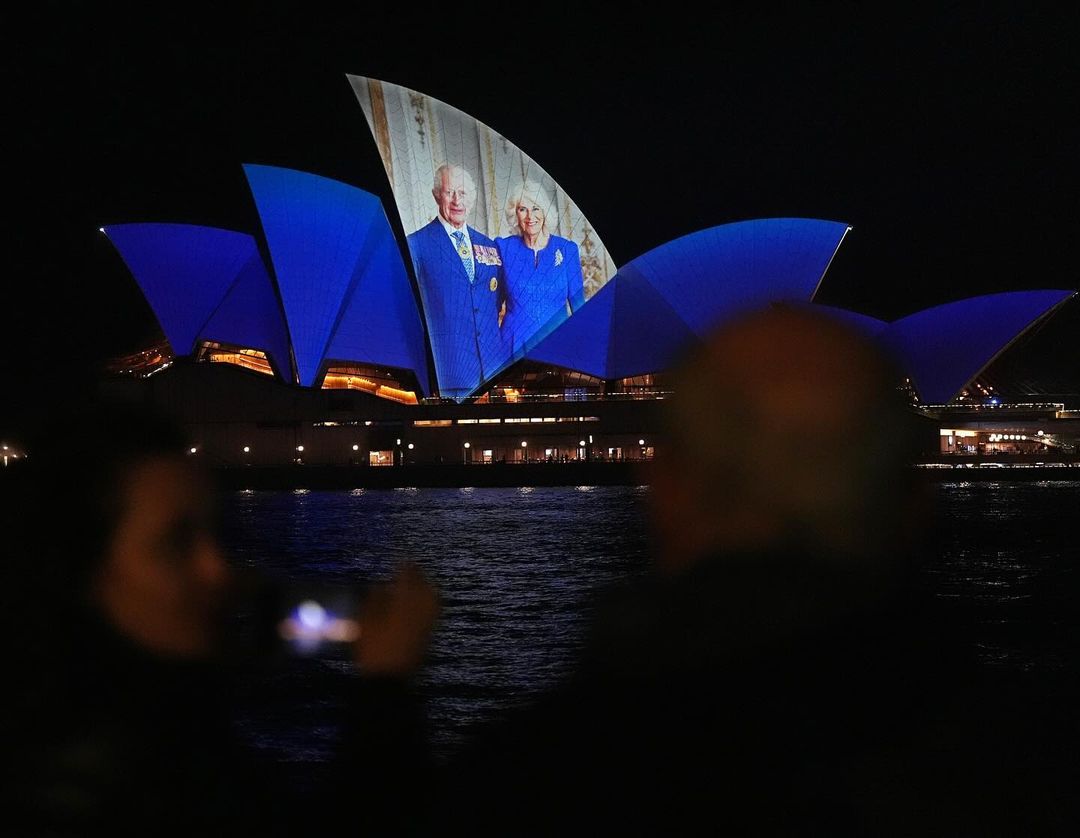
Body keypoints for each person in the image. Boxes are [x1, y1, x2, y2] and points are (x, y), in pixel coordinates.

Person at [440, 305, 1078, 834]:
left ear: (664, 489)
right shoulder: (1030, 769)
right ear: (915, 502)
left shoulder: (528, 780)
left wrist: (384, 707)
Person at [3, 405, 440, 836]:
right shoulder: (105, 787)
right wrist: (386, 691)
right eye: (176, 544)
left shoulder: (141, 733)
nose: (219, 569)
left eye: (214, 533)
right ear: (77, 570)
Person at [406, 163, 510, 400]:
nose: (456, 200)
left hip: (493, 372)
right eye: (449, 192)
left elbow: (495, 301)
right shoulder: (416, 245)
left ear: (471, 199)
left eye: (462, 193)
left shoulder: (489, 245)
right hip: (449, 373)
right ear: (436, 195)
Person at [496, 179, 585, 358]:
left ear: (545, 211)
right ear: (516, 215)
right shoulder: (503, 248)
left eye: (536, 208)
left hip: (558, 346)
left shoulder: (567, 250)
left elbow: (579, 307)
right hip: (512, 349)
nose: (530, 217)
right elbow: (493, 305)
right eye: (523, 209)